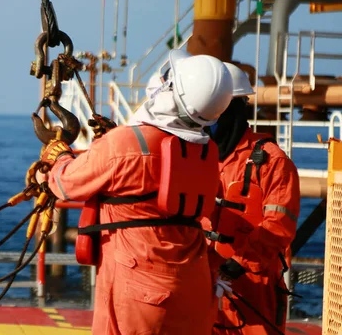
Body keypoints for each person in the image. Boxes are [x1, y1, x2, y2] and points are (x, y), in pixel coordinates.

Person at [37, 49, 234, 335]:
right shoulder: (207, 154)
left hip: (139, 296)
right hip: (194, 291)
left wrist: (58, 156)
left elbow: (67, 184)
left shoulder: (123, 144)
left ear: (169, 91)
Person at [204, 62, 301, 334]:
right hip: (201, 282)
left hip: (252, 288)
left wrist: (238, 264)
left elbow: (279, 225)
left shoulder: (271, 162)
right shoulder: (197, 157)